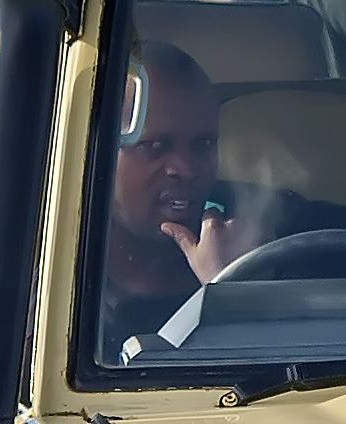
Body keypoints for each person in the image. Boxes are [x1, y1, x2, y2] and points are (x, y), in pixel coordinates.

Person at [92, 45, 242, 352]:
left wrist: (235, 284)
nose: (185, 169)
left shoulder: (258, 219)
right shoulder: (53, 278)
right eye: (155, 146)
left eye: (204, 144)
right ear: (101, 151)